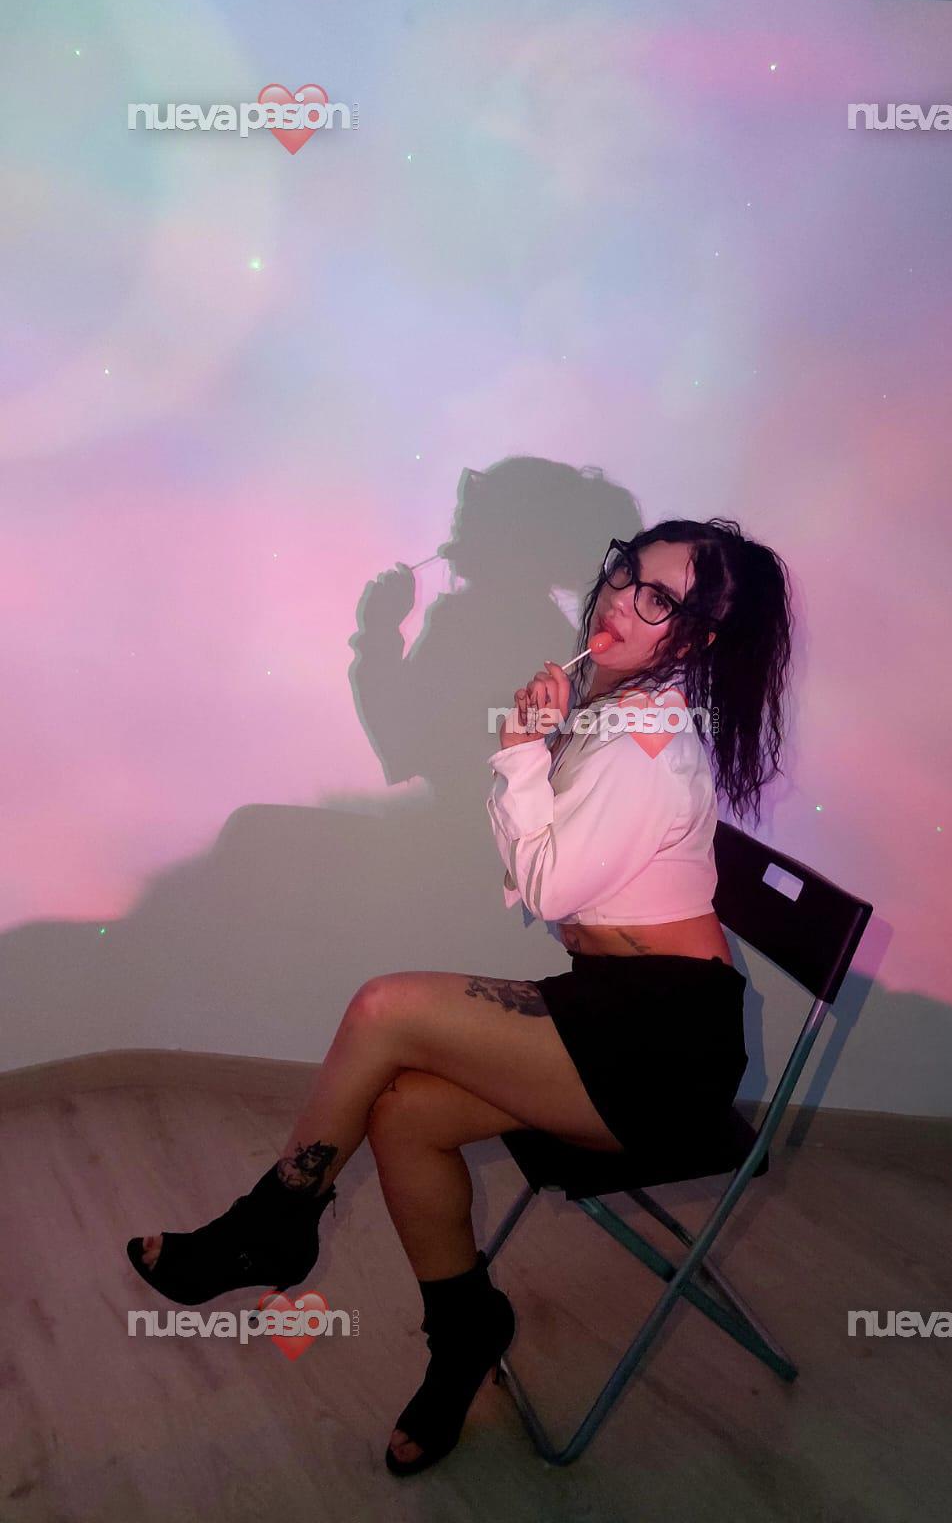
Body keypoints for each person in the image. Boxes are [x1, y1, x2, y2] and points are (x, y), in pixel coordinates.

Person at [124, 517, 795, 1478]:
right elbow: (531, 876)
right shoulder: (614, 709)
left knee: (383, 1008)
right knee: (403, 1115)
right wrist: (531, 746)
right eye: (625, 574)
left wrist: (523, 753)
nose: (619, 599)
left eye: (658, 598)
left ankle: (271, 1223)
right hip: (617, 1007)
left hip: (665, 1049)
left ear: (699, 637)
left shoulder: (648, 744)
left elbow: (548, 890)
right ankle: (464, 1330)